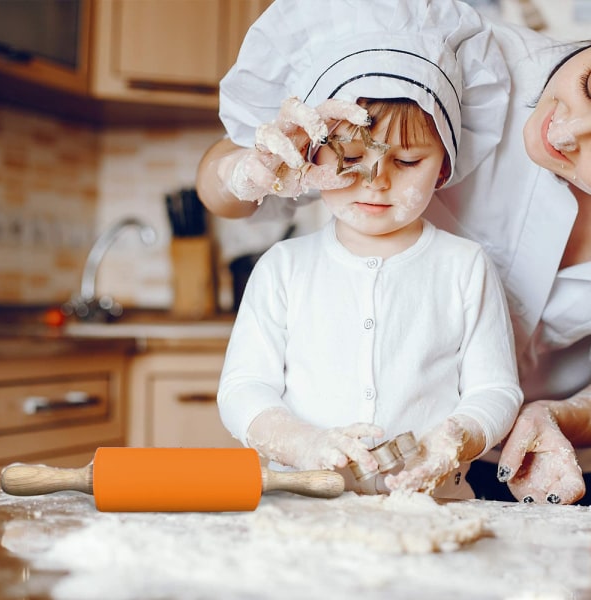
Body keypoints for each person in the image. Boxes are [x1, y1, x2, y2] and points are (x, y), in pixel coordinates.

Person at [197, 0, 591, 505]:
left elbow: (494, 389)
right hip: (304, 509)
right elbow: (243, 389)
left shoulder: (465, 267)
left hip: (486, 483)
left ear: (447, 165)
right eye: (352, 158)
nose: (377, 180)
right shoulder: (285, 267)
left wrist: (466, 434)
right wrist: (243, 170)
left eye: (408, 160)